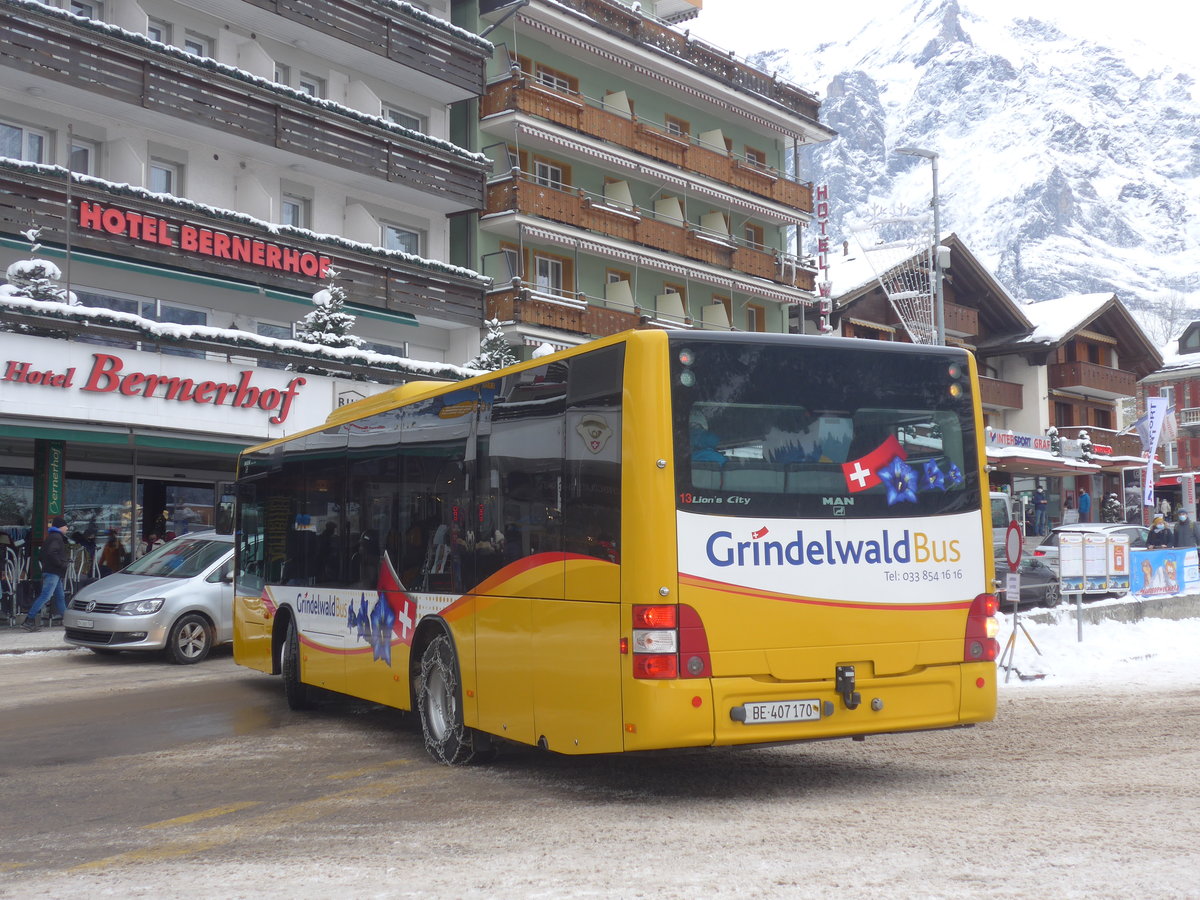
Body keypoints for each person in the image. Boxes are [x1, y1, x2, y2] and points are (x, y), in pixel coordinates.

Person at [21, 516, 70, 632]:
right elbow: (51, 553)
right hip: (53, 572)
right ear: (60, 527)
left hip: (53, 572)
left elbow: (42, 555)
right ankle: (29, 620)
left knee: (60, 597)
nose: (67, 528)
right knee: (46, 596)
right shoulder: (56, 538)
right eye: (65, 526)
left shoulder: (52, 537)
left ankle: (68, 620)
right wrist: (62, 564)